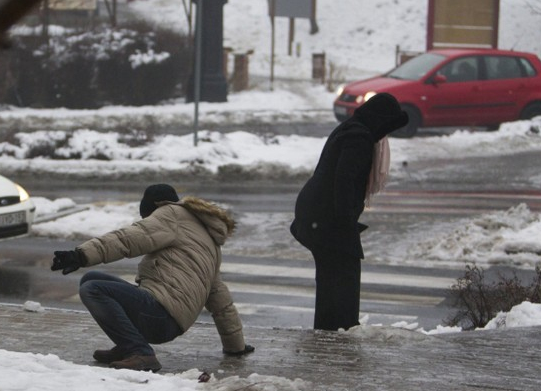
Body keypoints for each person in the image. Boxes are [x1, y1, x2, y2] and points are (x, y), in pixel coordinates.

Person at [51, 184, 255, 372]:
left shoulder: (170, 214)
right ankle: (127, 345)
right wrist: (235, 347)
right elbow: (221, 302)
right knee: (91, 278)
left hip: (161, 315)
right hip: (169, 322)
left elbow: (127, 239)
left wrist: (80, 255)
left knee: (93, 289)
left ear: (154, 207)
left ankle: (140, 352)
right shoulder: (206, 240)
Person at [290, 93, 408, 331]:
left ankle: (329, 331)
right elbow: (344, 182)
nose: (385, 135)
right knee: (344, 275)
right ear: (380, 119)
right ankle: (340, 331)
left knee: (332, 277)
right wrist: (346, 225)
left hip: (316, 214)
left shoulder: (351, 129)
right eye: (387, 127)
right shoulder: (359, 138)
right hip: (325, 218)